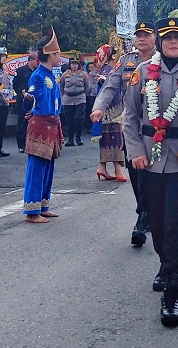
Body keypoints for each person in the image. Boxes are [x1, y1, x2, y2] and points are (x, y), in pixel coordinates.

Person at [123, 17, 178, 327]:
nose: (174, 41)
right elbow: (130, 117)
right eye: (168, 37)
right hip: (149, 160)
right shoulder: (142, 73)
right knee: (159, 223)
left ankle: (173, 293)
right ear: (160, 42)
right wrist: (135, 151)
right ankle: (165, 263)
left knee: (177, 223)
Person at [91, 22, 155, 247]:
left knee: (153, 173)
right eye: (138, 35)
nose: (142, 39)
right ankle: (144, 212)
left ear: (155, 37)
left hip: (157, 128)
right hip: (131, 128)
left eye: (146, 35)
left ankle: (145, 217)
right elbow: (110, 86)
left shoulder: (163, 59)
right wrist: (99, 107)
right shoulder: (127, 61)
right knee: (136, 174)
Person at [22, 27, 64, 223]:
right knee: (37, 167)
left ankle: (43, 205)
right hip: (41, 125)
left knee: (48, 167)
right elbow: (30, 99)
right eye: (57, 53)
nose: (60, 56)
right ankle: (31, 211)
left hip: (52, 125)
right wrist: (28, 103)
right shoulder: (38, 76)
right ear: (50, 55)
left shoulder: (50, 76)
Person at [96, 47, 127, 182]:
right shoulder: (109, 69)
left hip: (109, 109)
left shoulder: (107, 69)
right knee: (114, 138)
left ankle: (102, 166)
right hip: (112, 109)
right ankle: (117, 169)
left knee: (107, 138)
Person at [13, 51, 39, 153]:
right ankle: (21, 144)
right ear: (30, 60)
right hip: (23, 99)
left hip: (35, 100)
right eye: (36, 60)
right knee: (22, 122)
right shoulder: (21, 71)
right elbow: (15, 84)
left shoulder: (37, 71)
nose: (37, 62)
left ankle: (33, 144)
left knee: (35, 122)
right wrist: (22, 92)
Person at [60, 57, 89, 146]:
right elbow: (61, 87)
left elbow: (87, 87)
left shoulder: (83, 75)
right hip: (68, 99)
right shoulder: (65, 75)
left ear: (78, 65)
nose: (74, 66)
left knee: (79, 118)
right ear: (70, 65)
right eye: (72, 64)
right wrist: (63, 96)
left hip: (80, 98)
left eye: (76, 64)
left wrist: (84, 96)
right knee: (69, 120)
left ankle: (78, 138)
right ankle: (70, 139)